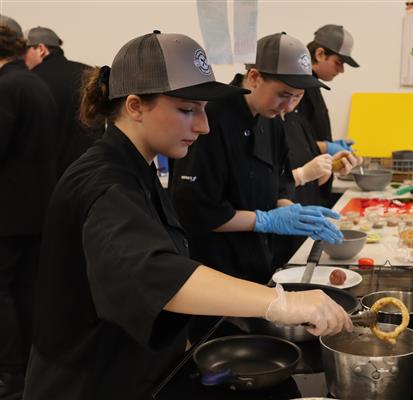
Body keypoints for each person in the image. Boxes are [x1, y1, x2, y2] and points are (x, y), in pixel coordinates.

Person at [23, 31, 351, 400]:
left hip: (133, 367)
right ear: (134, 106)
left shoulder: (138, 167)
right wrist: (281, 302)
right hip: (86, 381)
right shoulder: (104, 182)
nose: (203, 126)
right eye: (186, 109)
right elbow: (154, 273)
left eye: (204, 109)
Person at [171, 32, 343, 284]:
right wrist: (266, 220)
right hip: (216, 269)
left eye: (297, 97)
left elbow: (281, 181)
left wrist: (292, 213)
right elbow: (196, 211)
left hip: (259, 261)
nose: (289, 107)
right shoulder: (211, 120)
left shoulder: (270, 119)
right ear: (254, 77)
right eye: (283, 94)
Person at [0, 21, 58, 399]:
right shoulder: (36, 83)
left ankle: (9, 374)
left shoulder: (5, 86)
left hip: (7, 214)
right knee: (25, 290)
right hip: (37, 209)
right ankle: (27, 369)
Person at [272, 93, 359, 266]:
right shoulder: (265, 124)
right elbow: (266, 187)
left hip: (303, 234)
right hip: (278, 238)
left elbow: (314, 184)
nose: (291, 103)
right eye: (287, 93)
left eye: (298, 95)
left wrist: (331, 167)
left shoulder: (297, 120)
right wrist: (301, 174)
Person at [25, 26, 103, 176]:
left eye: (24, 52)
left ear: (40, 49)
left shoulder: (31, 81)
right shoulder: (88, 74)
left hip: (49, 175)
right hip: (91, 169)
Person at [296, 24, 360, 206]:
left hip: (317, 181)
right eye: (338, 63)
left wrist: (332, 147)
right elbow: (294, 142)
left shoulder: (314, 86)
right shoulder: (301, 88)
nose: (341, 70)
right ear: (320, 54)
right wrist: (327, 147)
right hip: (303, 185)